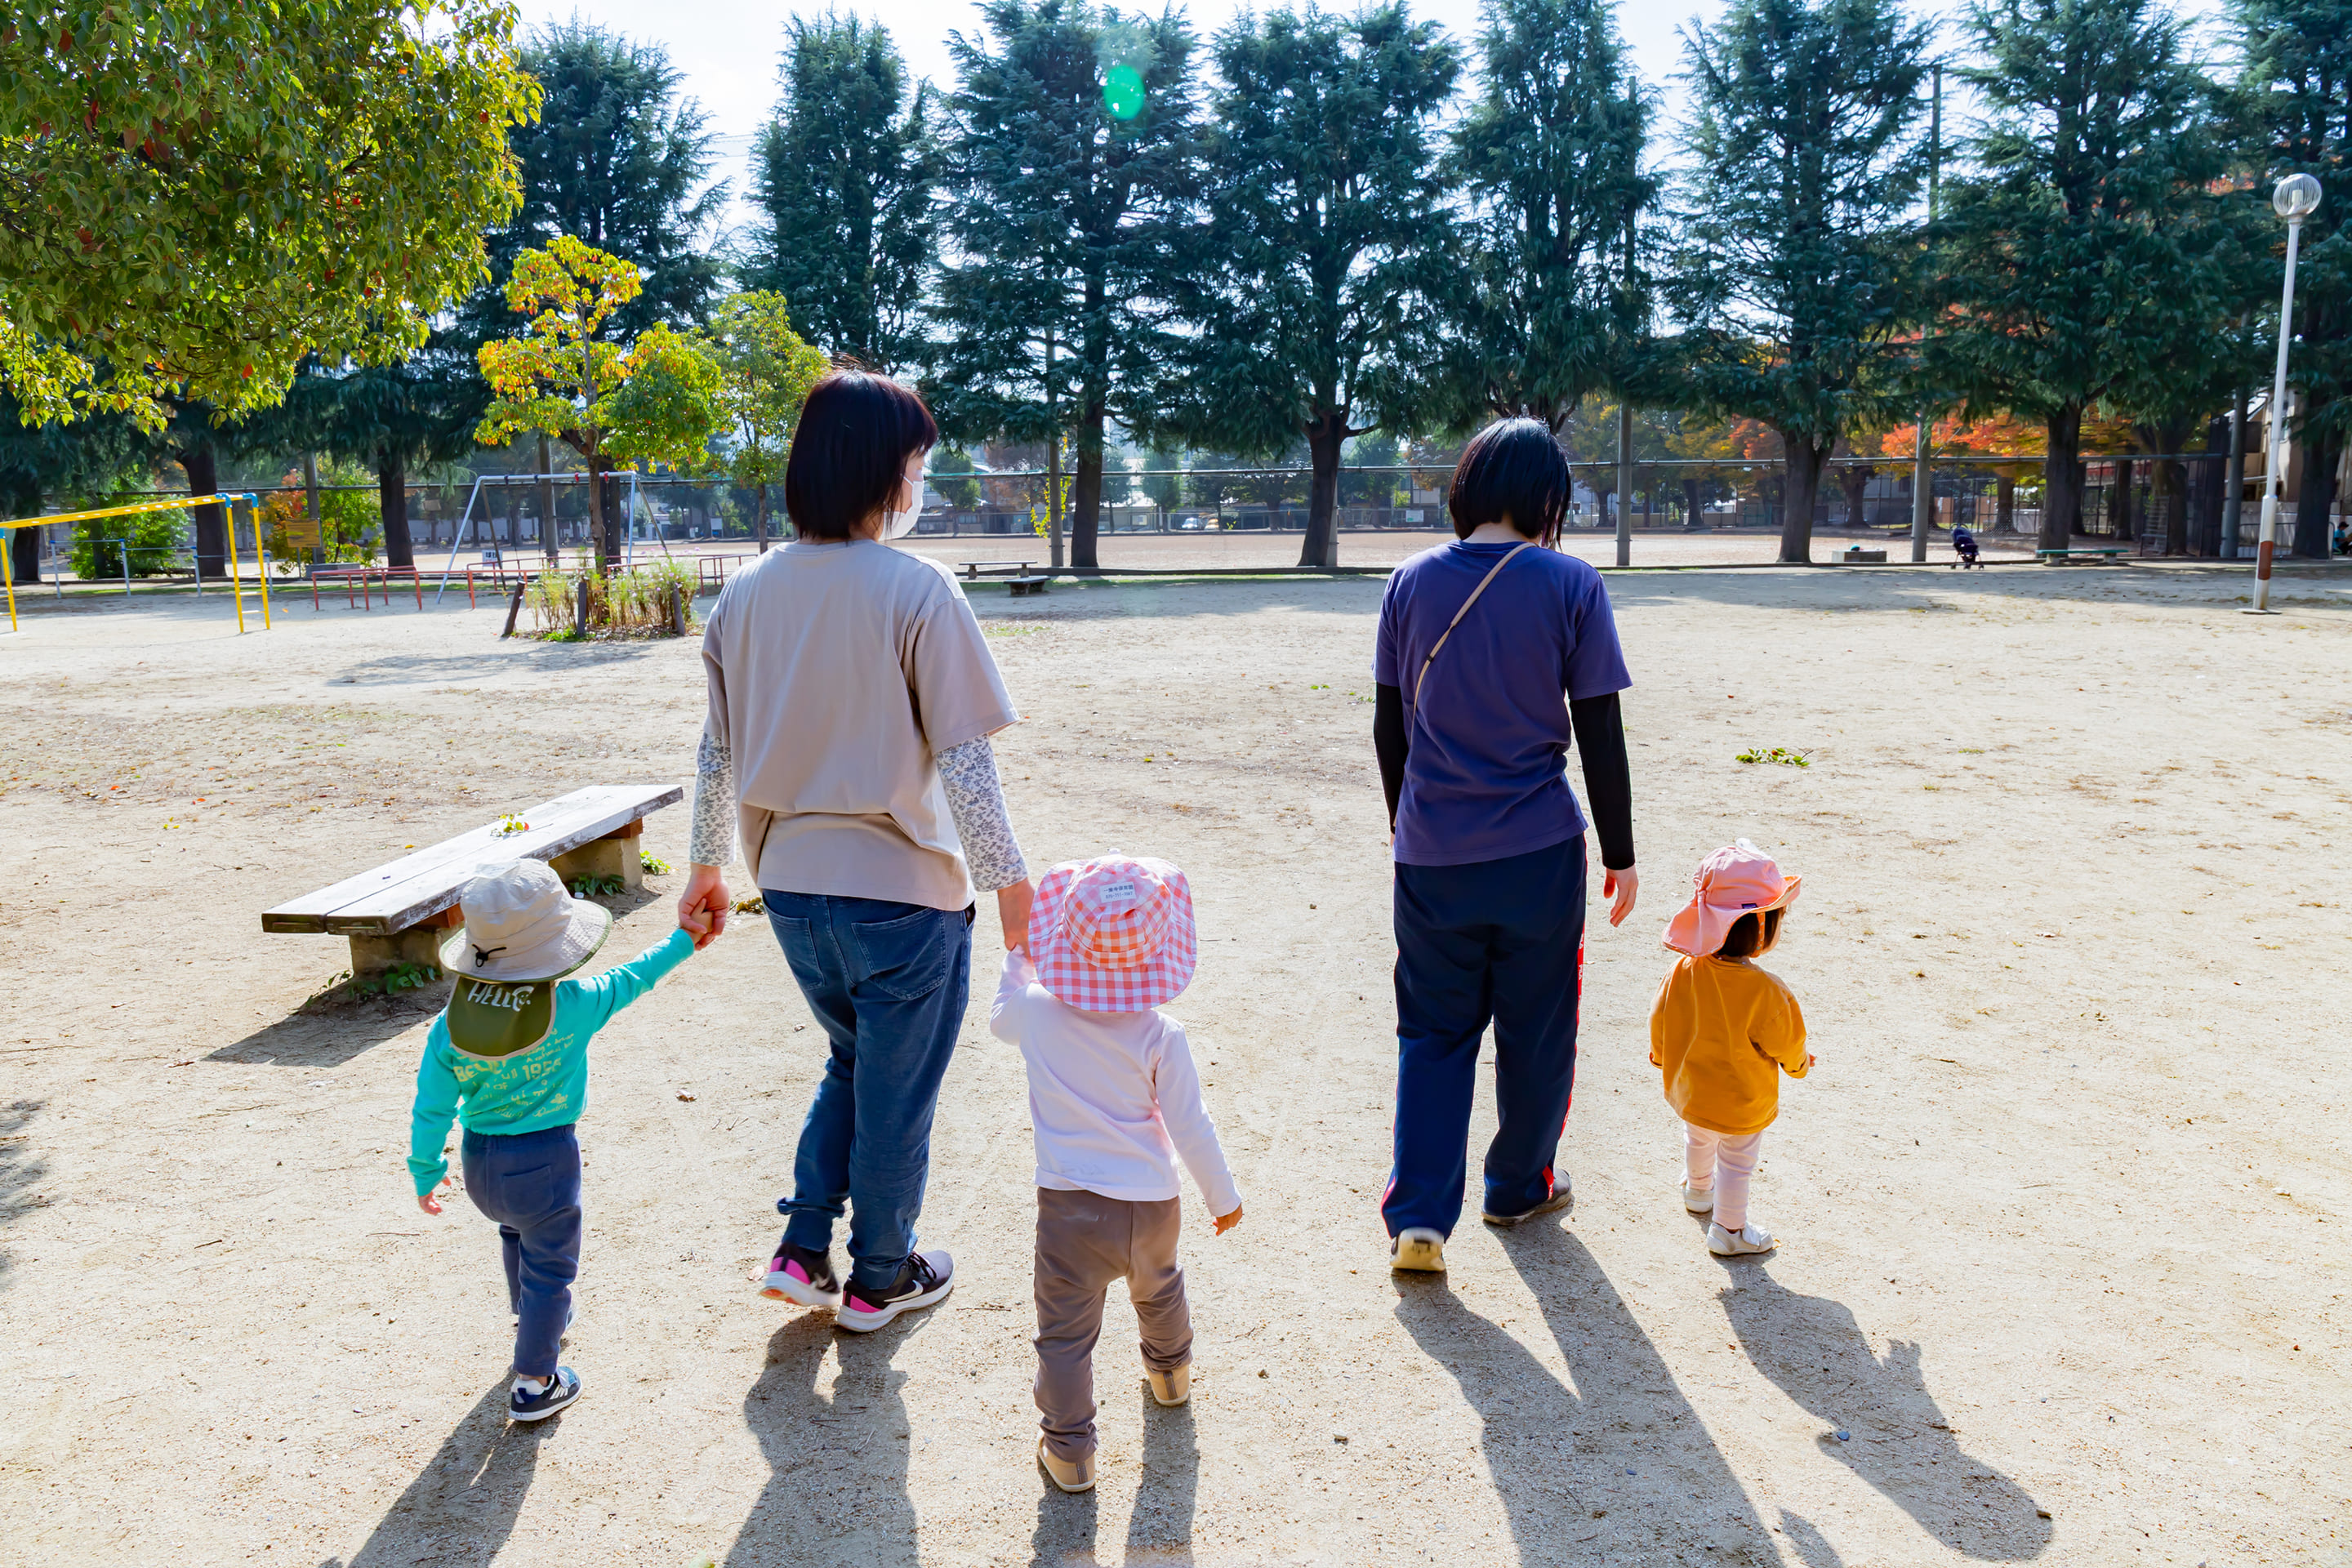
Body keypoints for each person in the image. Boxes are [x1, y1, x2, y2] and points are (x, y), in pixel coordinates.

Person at [677, 367, 1036, 1333]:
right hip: (904, 897)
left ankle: (803, 1250)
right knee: (897, 1094)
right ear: (884, 471)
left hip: (793, 895)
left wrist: (706, 868)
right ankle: (881, 1275)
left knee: (851, 1063)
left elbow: (717, 751)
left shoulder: (745, 593)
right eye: (916, 463)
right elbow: (965, 763)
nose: (921, 482)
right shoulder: (918, 590)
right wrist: (1011, 886)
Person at [1371, 416, 1637, 1274]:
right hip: (1538, 852)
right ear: (1546, 498)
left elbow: (1388, 726)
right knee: (1539, 1027)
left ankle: (1419, 1216)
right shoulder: (1572, 583)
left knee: (1433, 1032)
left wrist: (1406, 821)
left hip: (1431, 854)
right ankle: (1519, 1185)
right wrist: (1621, 853)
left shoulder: (1409, 582)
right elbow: (1599, 729)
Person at [408, 858, 700, 1420]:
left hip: (479, 1163)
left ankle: (531, 1316)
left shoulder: (451, 1023)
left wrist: (426, 1170)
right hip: (545, 1160)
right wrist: (685, 939)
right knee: (551, 1266)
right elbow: (634, 976)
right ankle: (535, 1382)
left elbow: (431, 1105)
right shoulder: (573, 1005)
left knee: (515, 1234)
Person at [987, 853, 1242, 1494]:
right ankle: (1171, 1375)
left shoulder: (1035, 1010)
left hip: (1070, 1210)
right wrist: (1223, 1197)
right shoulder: (1162, 1034)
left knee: (1065, 1336)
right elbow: (1191, 1125)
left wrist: (1019, 957)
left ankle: (1071, 1453)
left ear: (1063, 938)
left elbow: (999, 1018)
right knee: (1159, 1289)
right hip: (1152, 1204)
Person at [1649, 840, 1814, 1257]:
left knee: (1698, 1137)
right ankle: (1729, 1230)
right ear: (1761, 929)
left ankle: (1698, 1192)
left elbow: (1660, 1017)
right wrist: (1799, 1066)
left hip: (1691, 1089)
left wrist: (1662, 1056)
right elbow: (1788, 1043)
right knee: (1737, 1162)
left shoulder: (1682, 969)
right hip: (1741, 1101)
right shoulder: (1767, 991)